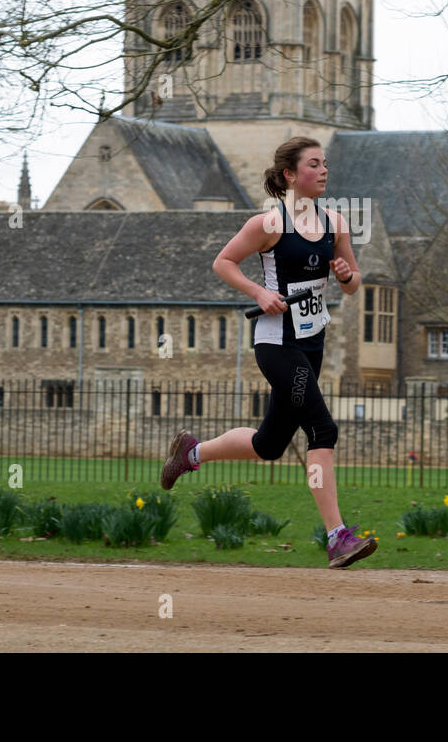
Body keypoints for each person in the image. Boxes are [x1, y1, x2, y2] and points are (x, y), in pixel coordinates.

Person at [160, 136, 376, 569]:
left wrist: (347, 273)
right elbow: (224, 261)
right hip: (277, 344)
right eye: (314, 164)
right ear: (290, 176)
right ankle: (337, 536)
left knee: (269, 445)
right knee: (323, 431)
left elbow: (353, 287)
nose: (324, 170)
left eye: (325, 163)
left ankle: (191, 452)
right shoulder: (269, 224)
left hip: (311, 344)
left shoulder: (336, 224)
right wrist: (260, 292)